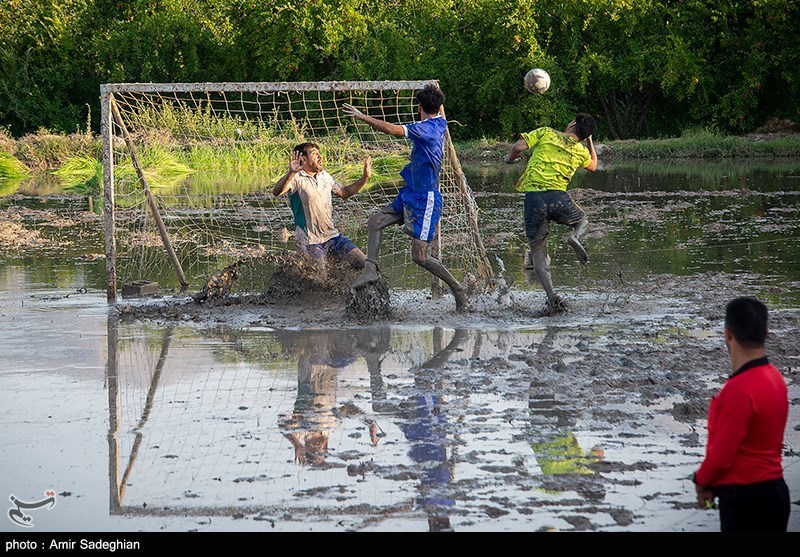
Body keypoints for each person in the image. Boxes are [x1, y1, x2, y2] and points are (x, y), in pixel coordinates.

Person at [341, 84, 467, 312]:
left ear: (418, 106)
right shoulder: (437, 123)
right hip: (409, 193)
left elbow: (392, 130)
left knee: (419, 257)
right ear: (440, 106)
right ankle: (370, 270)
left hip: (425, 199)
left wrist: (361, 116)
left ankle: (458, 289)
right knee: (375, 222)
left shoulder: (427, 128)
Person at [692, 296, 790, 532]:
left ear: (728, 334)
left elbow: (722, 455)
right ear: (766, 334)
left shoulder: (740, 389)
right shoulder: (776, 378)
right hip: (774, 492)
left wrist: (701, 480)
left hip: (746, 499)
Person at [503, 113, 598, 313]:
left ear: (572, 123)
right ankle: (574, 236)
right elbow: (594, 166)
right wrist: (589, 141)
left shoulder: (546, 132)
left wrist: (510, 159)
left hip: (534, 200)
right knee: (583, 221)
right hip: (558, 199)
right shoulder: (580, 151)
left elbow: (518, 147)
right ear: (585, 136)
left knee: (538, 252)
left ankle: (552, 297)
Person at [272, 142, 372, 270]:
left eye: (320, 153)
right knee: (320, 277)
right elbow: (277, 192)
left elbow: (345, 193)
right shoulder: (296, 178)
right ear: (303, 159)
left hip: (332, 237)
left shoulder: (325, 176)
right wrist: (291, 173)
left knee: (366, 264)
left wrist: (365, 178)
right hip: (309, 242)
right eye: (314, 154)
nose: (320, 157)